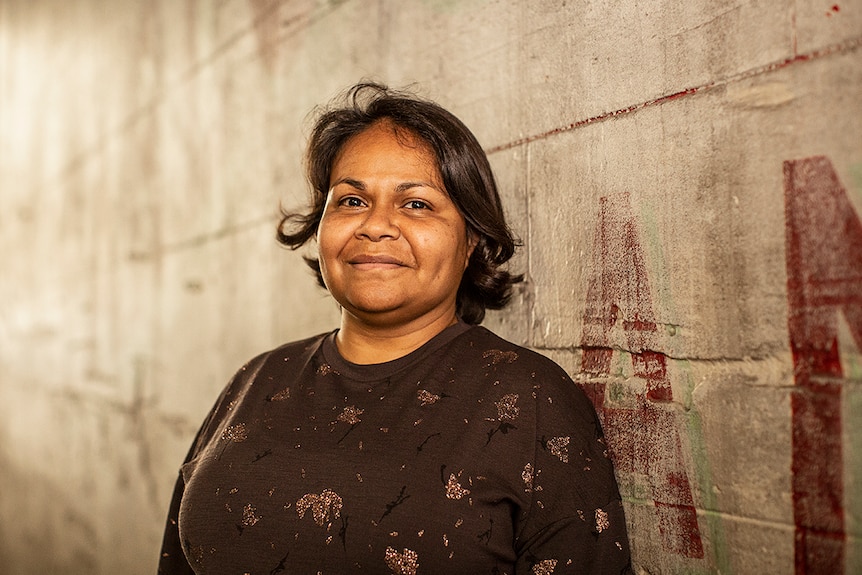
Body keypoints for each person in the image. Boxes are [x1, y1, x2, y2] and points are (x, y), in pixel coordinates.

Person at [158, 82, 632, 575]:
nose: (375, 225)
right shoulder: (257, 381)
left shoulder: (529, 398)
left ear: (471, 238)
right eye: (351, 201)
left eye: (417, 204)